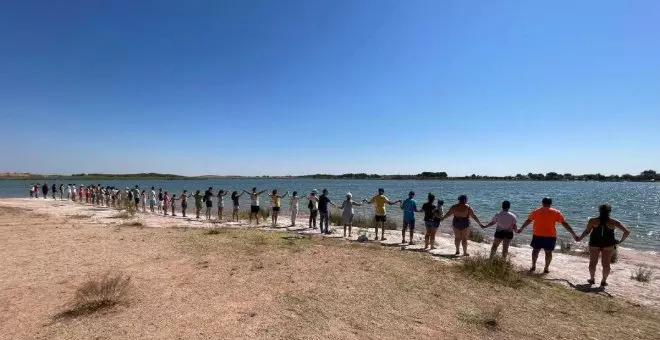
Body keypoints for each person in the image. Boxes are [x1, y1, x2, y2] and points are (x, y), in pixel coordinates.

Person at [517, 197, 579, 273]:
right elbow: (564, 223)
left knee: (535, 251)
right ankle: (546, 268)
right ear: (551, 203)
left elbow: (528, 220)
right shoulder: (556, 212)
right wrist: (573, 233)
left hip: (537, 234)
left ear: (542, 203)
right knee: (548, 253)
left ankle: (533, 266)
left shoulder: (536, 211)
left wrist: (521, 228)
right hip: (550, 236)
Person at [576, 204, 631, 287]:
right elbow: (626, 232)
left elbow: (587, 231)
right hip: (608, 245)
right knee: (606, 264)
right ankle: (603, 281)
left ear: (599, 211)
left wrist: (580, 238)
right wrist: (620, 241)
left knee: (592, 263)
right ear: (609, 211)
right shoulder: (614, 222)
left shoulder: (592, 220)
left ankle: (592, 279)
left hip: (594, 244)